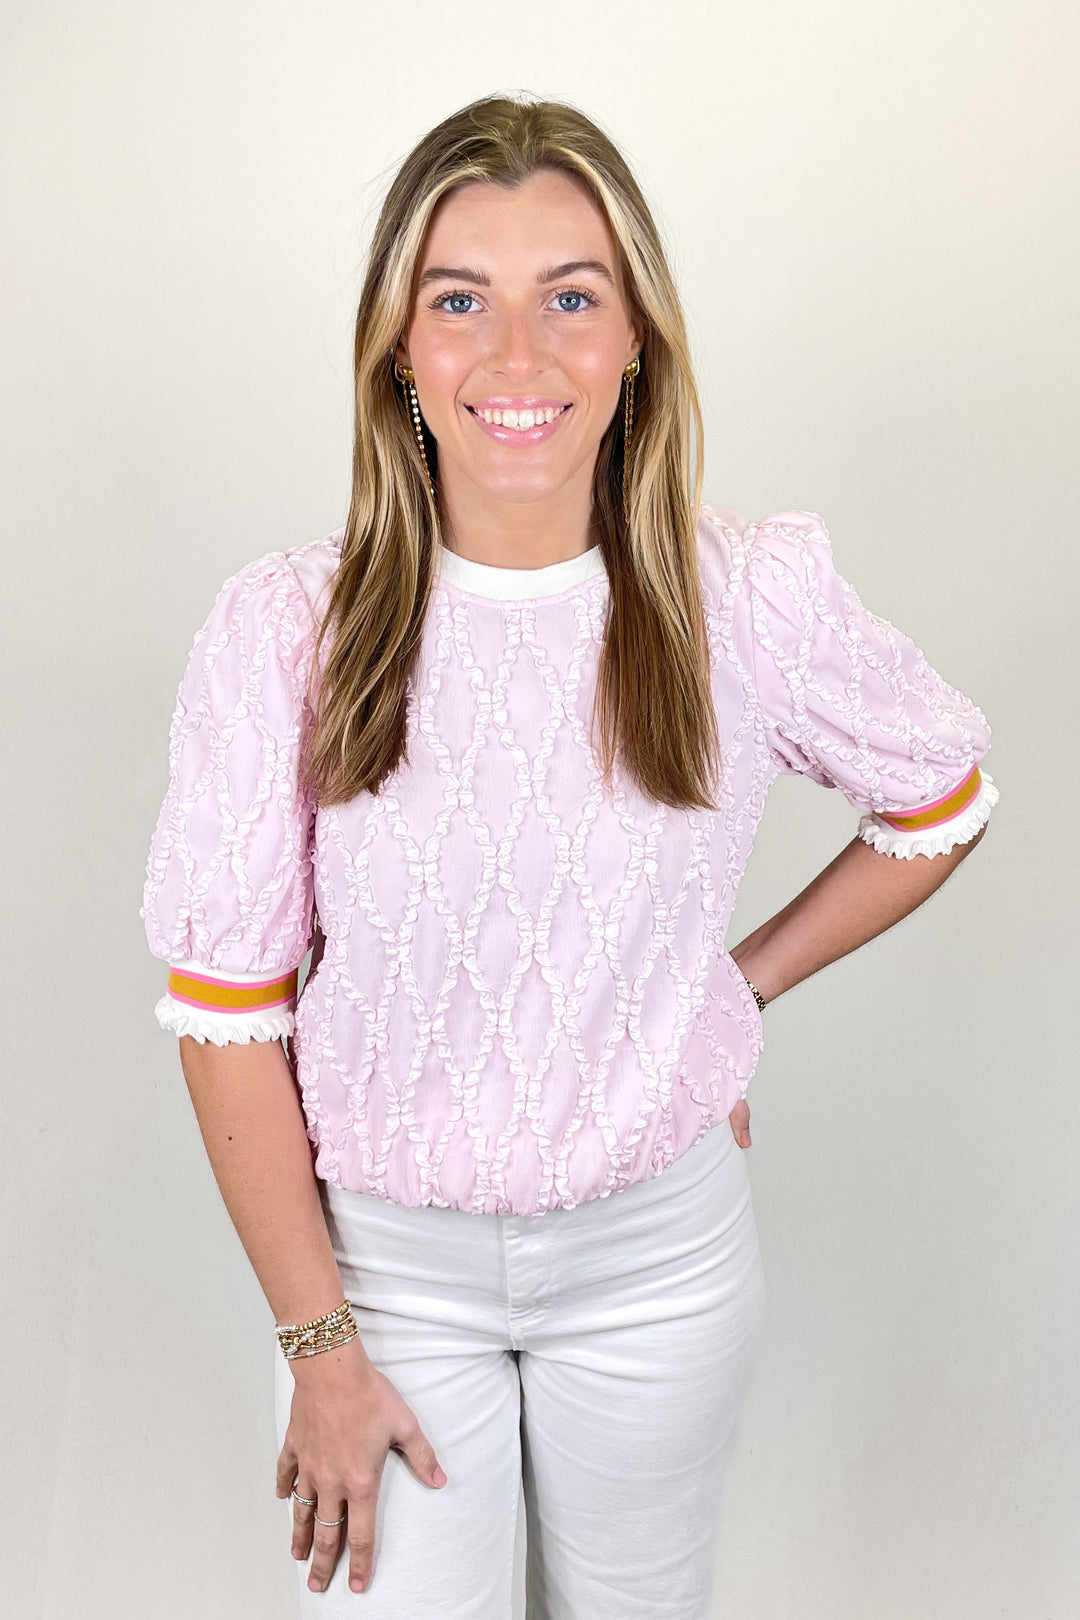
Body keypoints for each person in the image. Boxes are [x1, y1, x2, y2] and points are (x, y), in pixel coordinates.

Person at [140, 92, 999, 1619]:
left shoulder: (745, 599)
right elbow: (228, 1020)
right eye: (459, 300)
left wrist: (723, 993)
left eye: (573, 299)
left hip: (661, 1264)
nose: (517, 357)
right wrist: (318, 1348)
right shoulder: (291, 632)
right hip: (384, 1280)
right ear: (399, 349)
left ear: (637, 344)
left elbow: (938, 795)